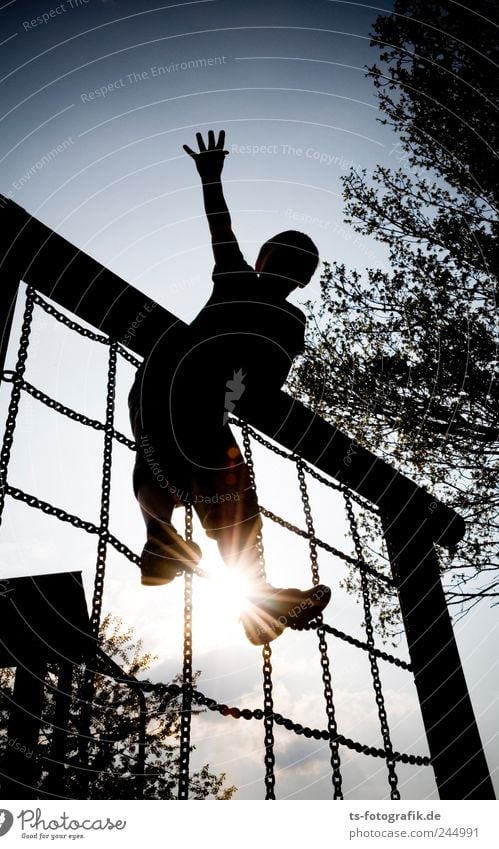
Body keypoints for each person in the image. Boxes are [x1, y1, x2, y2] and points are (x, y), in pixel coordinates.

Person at [128, 129, 331, 644]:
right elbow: (263, 388)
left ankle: (159, 537)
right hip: (203, 408)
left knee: (152, 454)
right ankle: (256, 602)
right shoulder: (290, 323)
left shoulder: (235, 276)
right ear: (303, 281)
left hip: (159, 378)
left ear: (262, 260)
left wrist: (211, 176)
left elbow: (221, 226)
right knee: (233, 492)